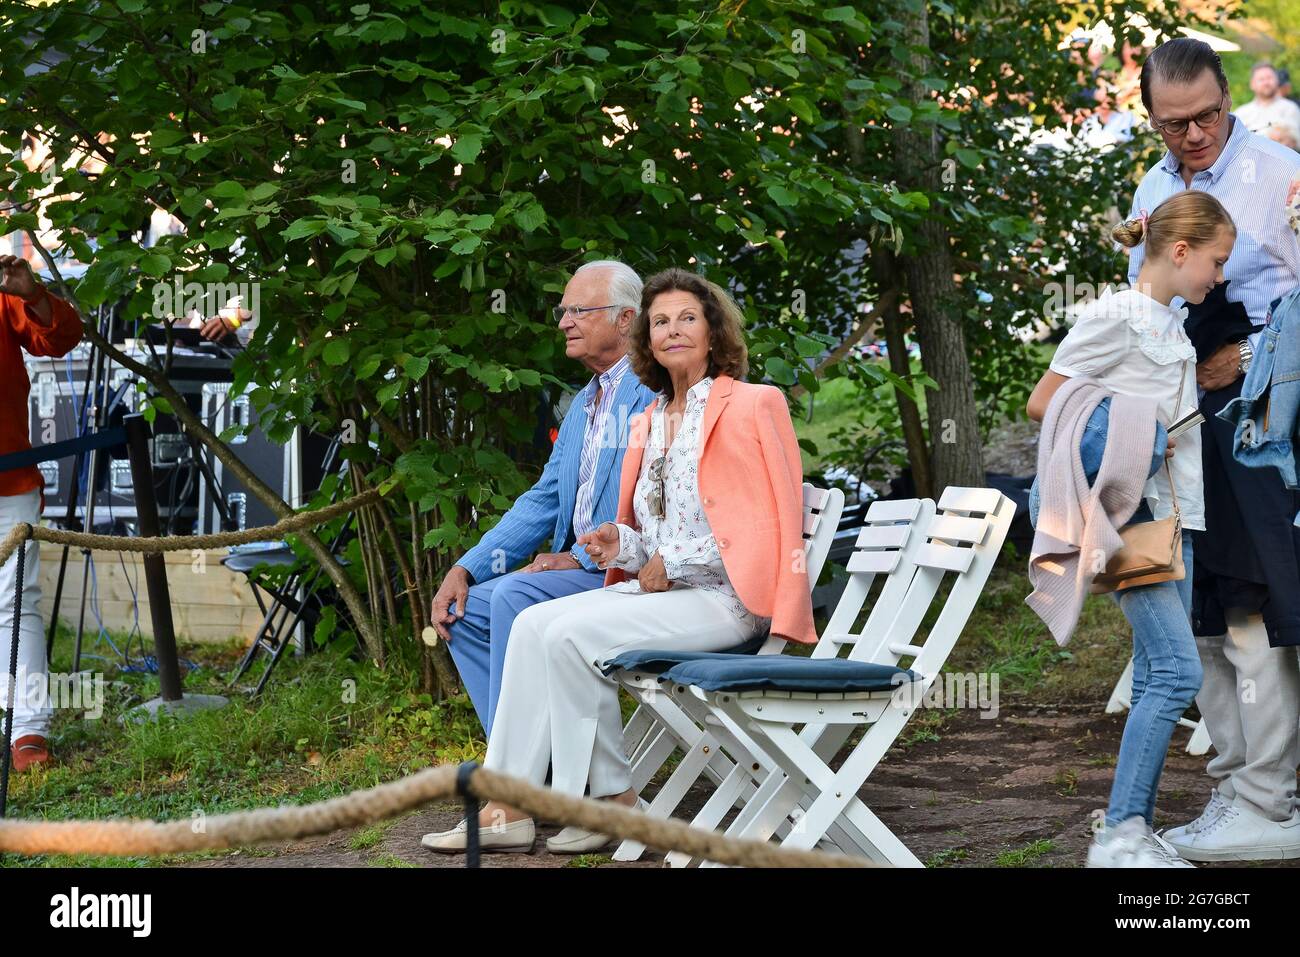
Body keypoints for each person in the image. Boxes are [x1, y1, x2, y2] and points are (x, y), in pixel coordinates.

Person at [422, 267, 816, 854]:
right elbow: (647, 531)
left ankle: (592, 803)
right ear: (647, 338)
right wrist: (619, 545)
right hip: (663, 594)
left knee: (567, 635)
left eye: (688, 318)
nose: (673, 330)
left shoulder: (755, 404)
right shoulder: (649, 419)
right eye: (662, 322)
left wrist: (671, 560)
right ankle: (544, 803)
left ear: (714, 331)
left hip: (725, 597)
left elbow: (770, 520)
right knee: (535, 625)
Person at [1125, 37, 1300, 862]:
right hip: (1180, 419)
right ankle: (1234, 786)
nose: (1193, 136)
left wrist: (1248, 358)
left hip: (1263, 415)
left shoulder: (1280, 172)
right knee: (1202, 612)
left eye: (1206, 117)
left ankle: (1272, 796)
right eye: (1173, 124)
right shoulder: (1154, 187)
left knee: (1255, 603)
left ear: (1229, 97)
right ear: (1151, 118)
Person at [1028, 190, 1235, 867]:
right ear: (1180, 252)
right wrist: (1133, 426)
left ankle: (1131, 834)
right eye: (1215, 260)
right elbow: (1046, 401)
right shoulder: (1115, 314)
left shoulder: (1168, 322)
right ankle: (1120, 833)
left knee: (1155, 673)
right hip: (1133, 517)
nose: (1219, 276)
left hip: (1179, 516)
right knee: (1178, 672)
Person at [428, 261, 656, 738]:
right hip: (580, 571)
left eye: (579, 310)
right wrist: (465, 568)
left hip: (626, 571)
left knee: (514, 595)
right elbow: (545, 498)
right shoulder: (584, 402)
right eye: (563, 309)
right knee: (465, 613)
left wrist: (573, 557)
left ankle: (520, 773)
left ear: (626, 319)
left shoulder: (653, 394)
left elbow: (644, 501)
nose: (563, 322)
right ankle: (534, 764)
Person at [0, 254, 84, 771]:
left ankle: (28, 730)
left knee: (14, 603)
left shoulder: (4, 287)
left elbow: (59, 338)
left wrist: (31, 294)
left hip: (8, 479)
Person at [1235, 62, 1300, 143]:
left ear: (1277, 81)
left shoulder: (1290, 108)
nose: (1266, 83)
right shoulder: (1241, 113)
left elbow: (1292, 142)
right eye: (1261, 79)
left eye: (1269, 78)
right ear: (1252, 84)